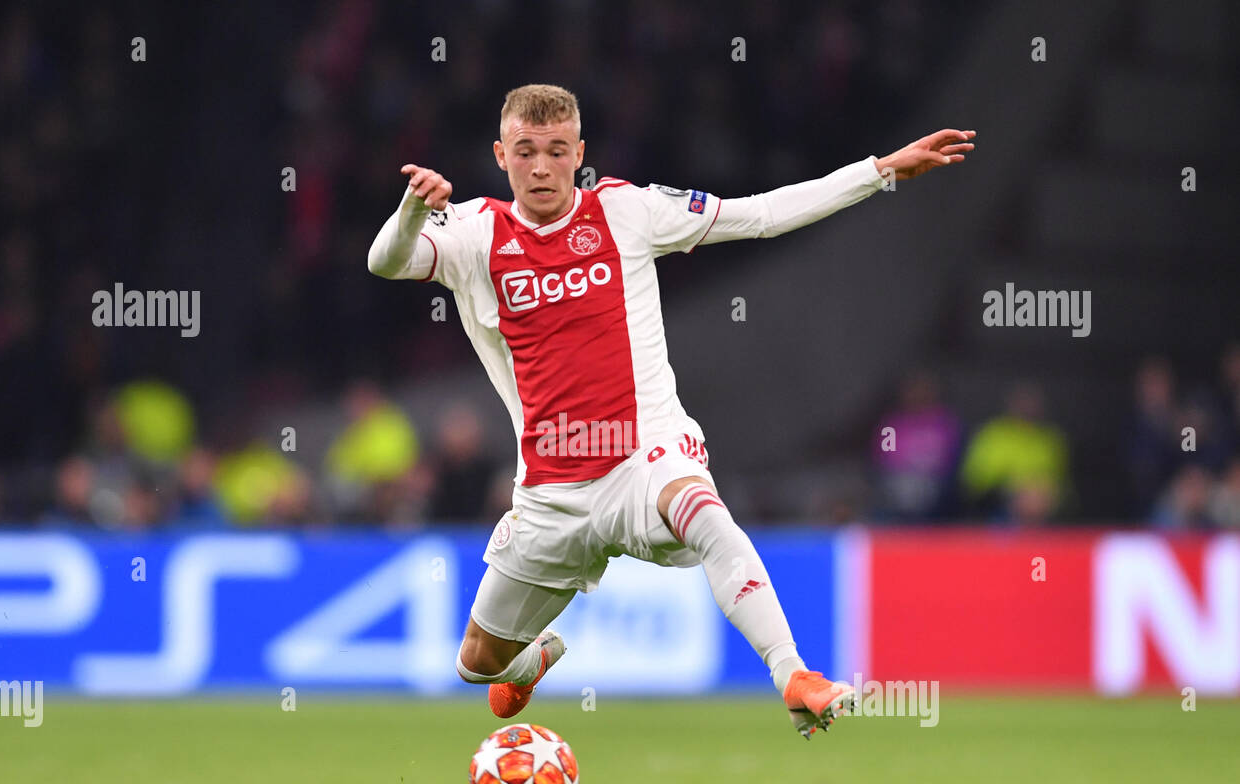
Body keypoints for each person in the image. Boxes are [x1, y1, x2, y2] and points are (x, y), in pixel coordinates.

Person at [367, 84, 974, 740]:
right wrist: (410, 210)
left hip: (643, 456)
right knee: (475, 664)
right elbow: (386, 262)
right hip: (550, 490)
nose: (540, 166)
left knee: (703, 512)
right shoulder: (473, 232)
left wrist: (879, 172)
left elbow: (762, 214)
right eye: (524, 152)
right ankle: (530, 661)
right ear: (500, 154)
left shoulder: (629, 211)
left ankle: (794, 674)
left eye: (555, 151)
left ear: (579, 153)